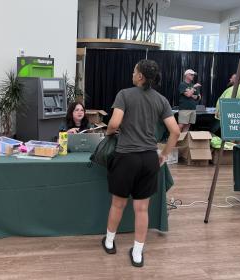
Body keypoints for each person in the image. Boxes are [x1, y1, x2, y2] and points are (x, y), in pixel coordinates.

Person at [101, 60, 180, 267]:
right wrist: (163, 154)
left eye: (134, 71)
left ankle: (109, 242)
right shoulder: (161, 100)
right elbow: (176, 131)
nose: (132, 74)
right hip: (148, 158)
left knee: (118, 203)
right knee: (142, 209)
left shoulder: (124, 95)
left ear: (140, 77)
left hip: (126, 157)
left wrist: (109, 132)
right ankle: (137, 253)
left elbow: (115, 123)